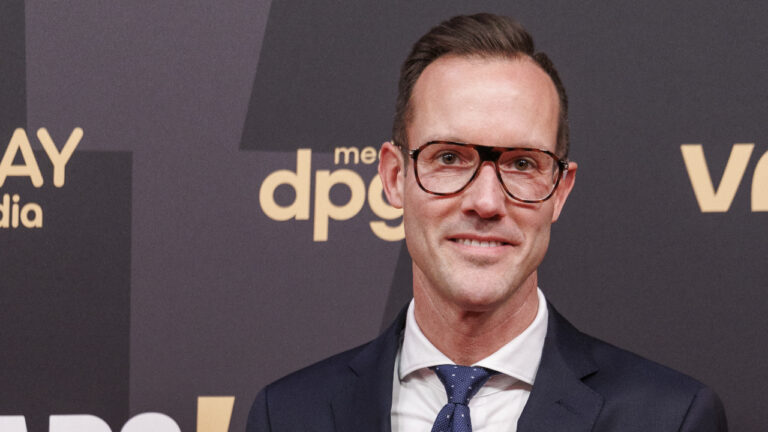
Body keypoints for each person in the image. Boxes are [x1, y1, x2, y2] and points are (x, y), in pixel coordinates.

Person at [246, 13, 727, 431]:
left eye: (522, 163)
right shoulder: (287, 415)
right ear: (394, 177)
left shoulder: (669, 417)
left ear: (560, 191)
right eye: (449, 157)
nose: (486, 201)